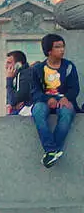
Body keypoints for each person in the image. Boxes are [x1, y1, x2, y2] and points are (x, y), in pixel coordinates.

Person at [29, 33, 79, 168]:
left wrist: (66, 98)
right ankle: (51, 149)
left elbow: (75, 89)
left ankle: (51, 151)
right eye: (57, 47)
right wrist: (47, 99)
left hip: (64, 100)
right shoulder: (38, 69)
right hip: (45, 100)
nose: (62, 50)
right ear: (49, 51)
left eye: (63, 46)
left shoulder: (69, 67)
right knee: (38, 111)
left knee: (67, 113)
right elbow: (35, 91)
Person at [6, 50, 31, 115]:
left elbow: (13, 100)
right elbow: (11, 101)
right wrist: (10, 105)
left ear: (18, 65)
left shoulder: (25, 75)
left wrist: (9, 79)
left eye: (9, 63)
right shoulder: (16, 76)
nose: (6, 66)